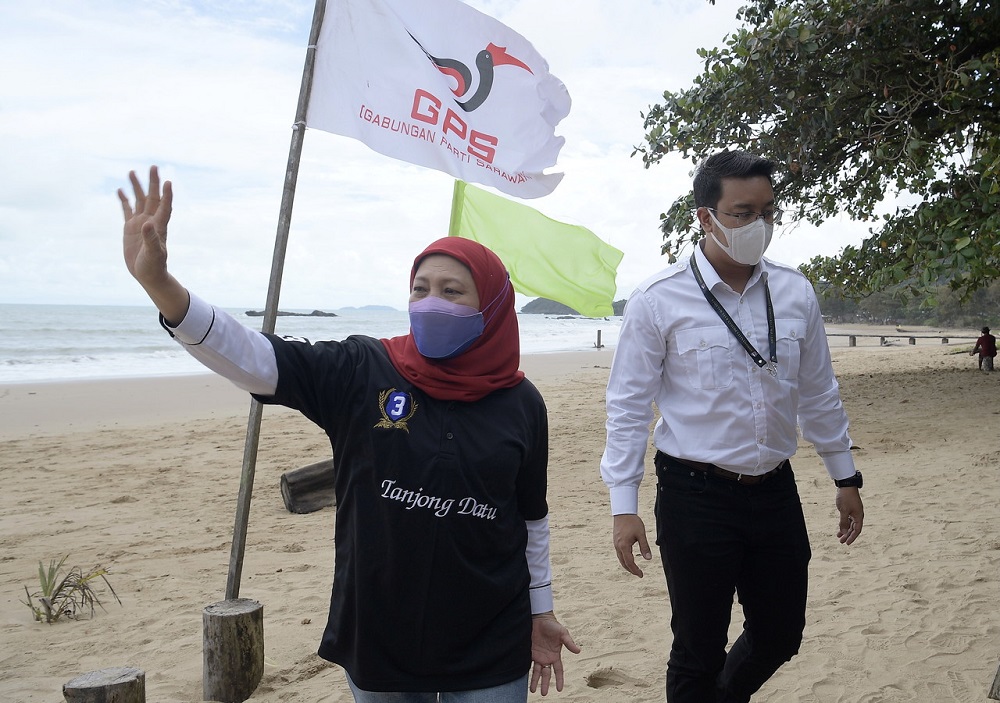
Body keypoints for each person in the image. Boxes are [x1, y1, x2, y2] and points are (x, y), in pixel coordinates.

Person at [119, 166, 579, 702]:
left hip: (489, 640)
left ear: (492, 308)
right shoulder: (365, 369)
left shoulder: (521, 404)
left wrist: (541, 611)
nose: (432, 302)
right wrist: (161, 287)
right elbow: (257, 359)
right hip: (380, 634)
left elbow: (531, 520)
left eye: (453, 292)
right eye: (420, 288)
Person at [600, 150, 865, 703]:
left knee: (780, 633)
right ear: (706, 216)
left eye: (767, 211)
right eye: (742, 212)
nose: (758, 225)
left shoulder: (795, 291)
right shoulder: (658, 299)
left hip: (774, 488)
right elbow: (628, 407)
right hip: (694, 493)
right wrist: (624, 506)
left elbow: (818, 391)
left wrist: (846, 477)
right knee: (696, 647)